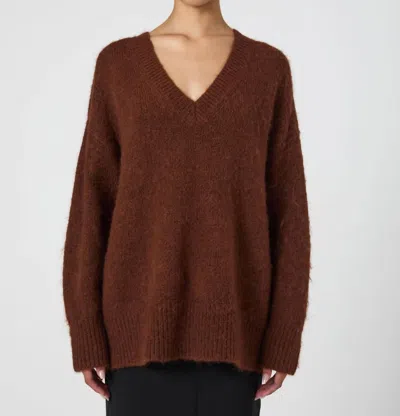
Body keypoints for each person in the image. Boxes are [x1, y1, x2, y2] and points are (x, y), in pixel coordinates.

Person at [62, 0, 311, 415]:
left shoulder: (268, 70)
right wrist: (85, 328)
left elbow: (288, 211)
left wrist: (284, 334)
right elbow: (91, 204)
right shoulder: (118, 66)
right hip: (134, 343)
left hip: (238, 343)